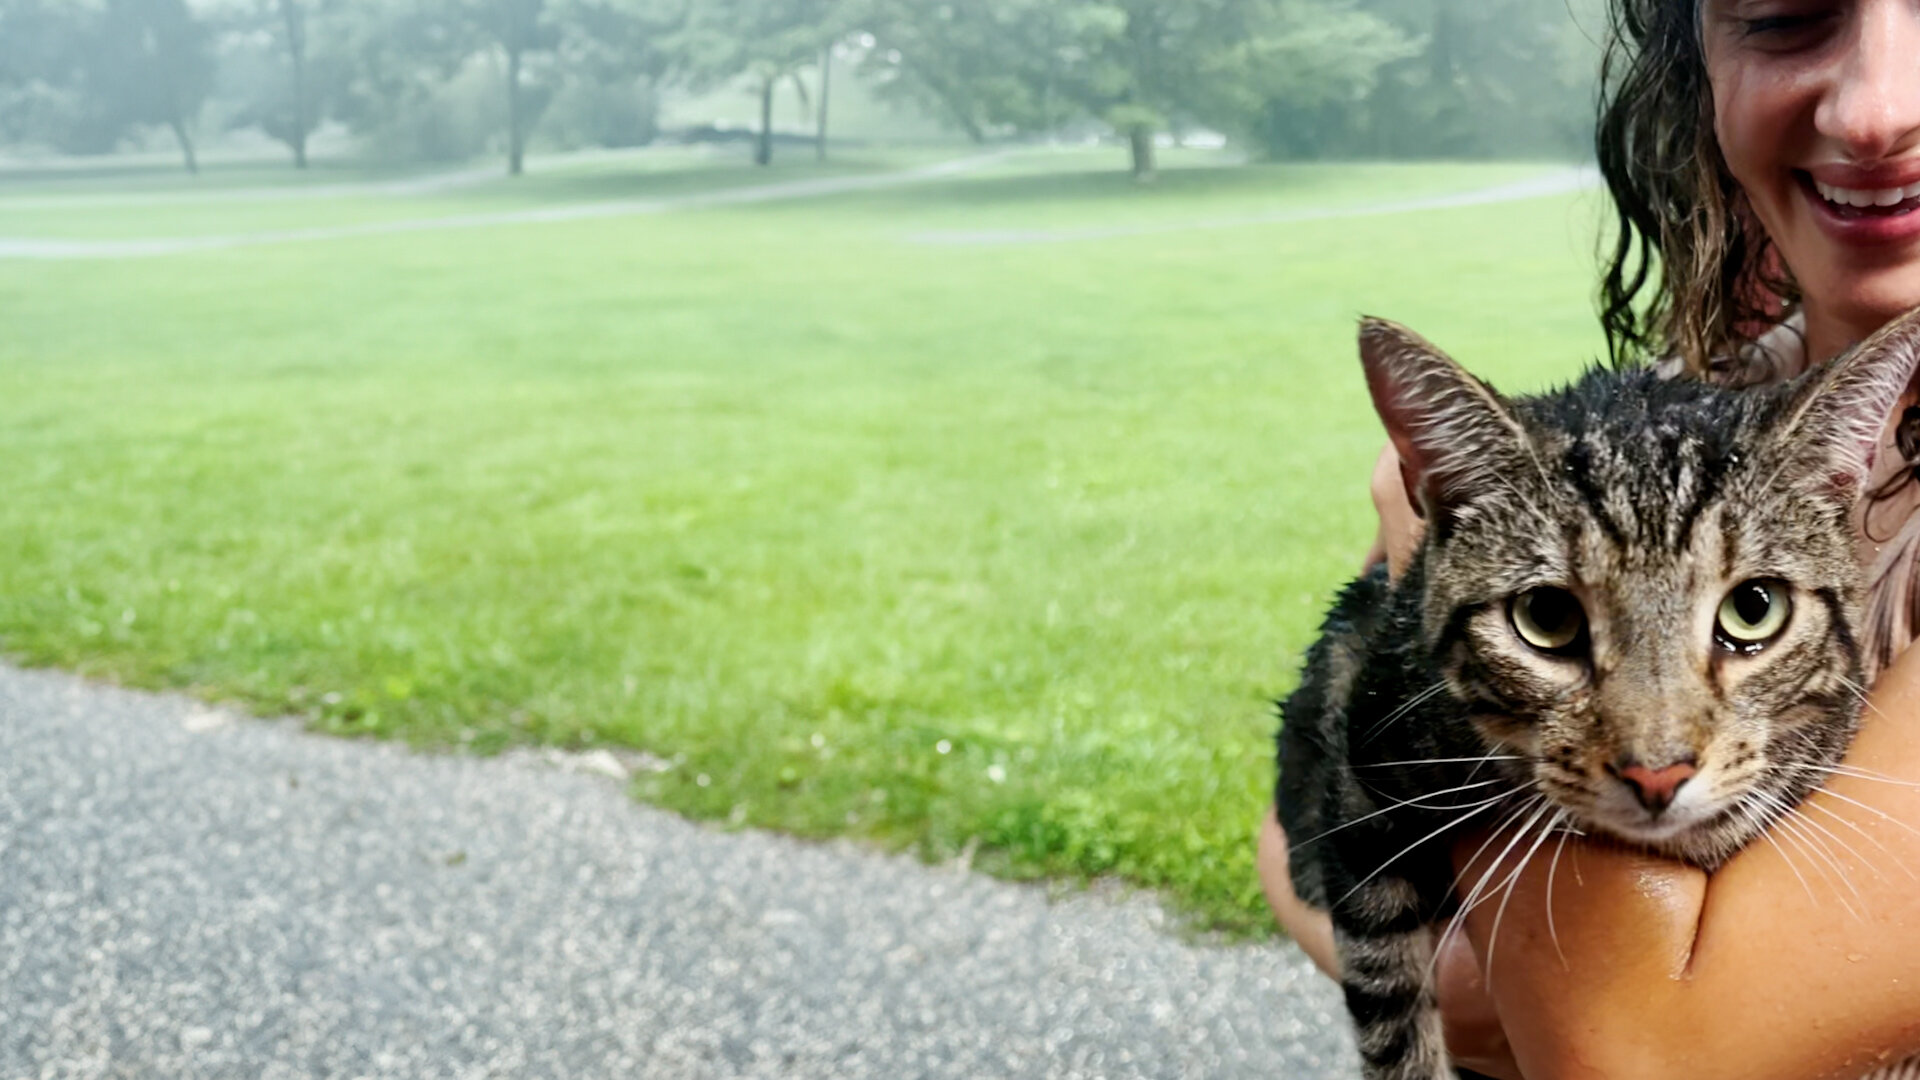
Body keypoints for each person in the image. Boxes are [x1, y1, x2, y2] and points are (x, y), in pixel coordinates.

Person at [1259, 1, 1920, 1077]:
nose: (1877, 109)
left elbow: (1627, 1052)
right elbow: (1291, 854)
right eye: (1785, 15)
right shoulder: (1695, 392)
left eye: (1749, 610)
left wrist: (1475, 966)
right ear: (1698, 61)